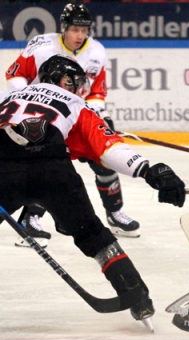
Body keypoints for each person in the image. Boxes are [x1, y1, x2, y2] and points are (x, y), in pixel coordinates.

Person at [0, 54, 187, 326]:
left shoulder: (7, 98)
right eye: (72, 82)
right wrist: (147, 170)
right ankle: (136, 295)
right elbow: (108, 147)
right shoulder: (76, 104)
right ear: (56, 80)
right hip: (54, 173)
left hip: (3, 169)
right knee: (94, 236)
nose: (77, 88)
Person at [5, 3, 141, 246]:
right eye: (75, 30)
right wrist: (30, 102)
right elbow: (14, 73)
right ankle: (30, 220)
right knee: (48, 166)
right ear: (64, 28)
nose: (79, 36)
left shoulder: (97, 51)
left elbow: (96, 91)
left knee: (104, 162)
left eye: (84, 30)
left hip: (76, 116)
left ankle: (115, 213)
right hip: (45, 120)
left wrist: (98, 113)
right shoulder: (41, 46)